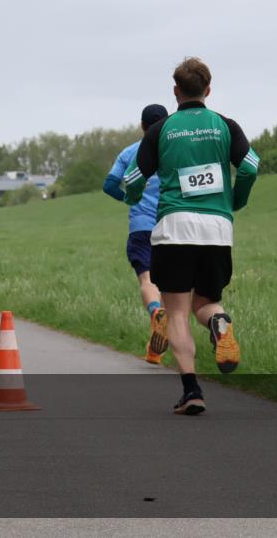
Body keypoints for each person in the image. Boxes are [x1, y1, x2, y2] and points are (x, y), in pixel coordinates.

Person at [124, 57, 259, 415]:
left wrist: (133, 198)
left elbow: (134, 180)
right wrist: (235, 199)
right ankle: (219, 322)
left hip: (174, 229)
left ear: (175, 92)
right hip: (217, 229)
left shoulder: (161, 130)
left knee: (178, 312)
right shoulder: (225, 125)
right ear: (209, 90)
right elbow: (250, 165)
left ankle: (192, 390)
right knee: (207, 303)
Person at [103, 103, 169, 365]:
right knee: (169, 287)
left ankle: (154, 313)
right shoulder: (173, 151)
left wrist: (131, 200)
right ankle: (155, 350)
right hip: (172, 225)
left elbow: (109, 185)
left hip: (141, 226)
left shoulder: (130, 152)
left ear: (142, 126)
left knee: (147, 279)